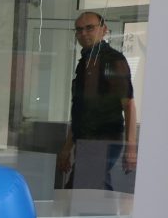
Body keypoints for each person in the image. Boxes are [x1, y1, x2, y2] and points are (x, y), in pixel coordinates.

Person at [56, 11, 138, 189]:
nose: (83, 33)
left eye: (89, 28)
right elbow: (81, 111)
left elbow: (129, 105)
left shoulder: (112, 60)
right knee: (89, 191)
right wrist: (67, 147)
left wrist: (131, 148)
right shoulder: (85, 62)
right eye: (79, 29)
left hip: (104, 139)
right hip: (86, 140)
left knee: (82, 191)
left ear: (104, 30)